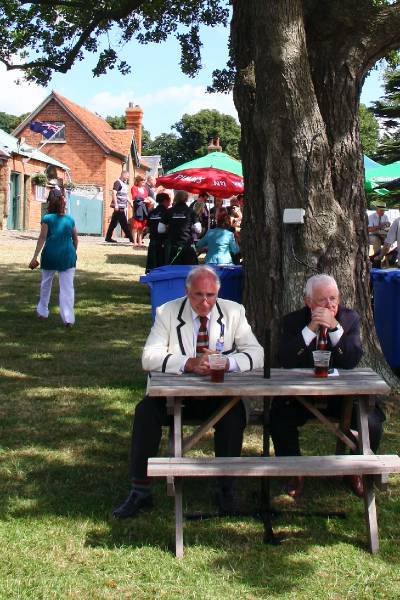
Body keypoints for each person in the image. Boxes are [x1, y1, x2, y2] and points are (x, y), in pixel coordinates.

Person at [113, 265, 264, 518]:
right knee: (145, 412)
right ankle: (140, 490)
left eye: (211, 296)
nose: (205, 302)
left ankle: (225, 488)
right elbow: (148, 357)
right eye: (198, 296)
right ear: (187, 292)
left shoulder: (234, 312)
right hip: (176, 397)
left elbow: (257, 353)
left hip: (218, 396)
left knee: (234, 414)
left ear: (218, 293)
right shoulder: (168, 312)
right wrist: (189, 363)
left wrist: (228, 363)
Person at [269, 273, 385, 498]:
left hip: (340, 396)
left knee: (371, 419)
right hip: (302, 394)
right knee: (278, 416)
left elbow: (351, 359)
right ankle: (294, 471)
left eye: (334, 298)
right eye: (323, 300)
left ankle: (356, 469)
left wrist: (334, 328)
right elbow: (286, 359)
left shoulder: (350, 319)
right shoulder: (292, 321)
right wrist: (311, 328)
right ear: (308, 302)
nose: (330, 305)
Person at [29, 188, 78, 327]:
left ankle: (42, 311)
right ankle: (68, 318)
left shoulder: (47, 218)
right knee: (67, 288)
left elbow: (42, 237)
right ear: (63, 204)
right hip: (67, 255)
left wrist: (35, 256)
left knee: (46, 284)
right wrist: (74, 252)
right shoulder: (70, 220)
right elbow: (75, 239)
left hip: (50, 254)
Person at [160, 190, 201, 265]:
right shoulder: (191, 212)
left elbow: (160, 229)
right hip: (187, 244)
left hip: (172, 245)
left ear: (176, 198)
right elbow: (198, 229)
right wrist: (191, 228)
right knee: (188, 268)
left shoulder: (169, 211)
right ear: (186, 199)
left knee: (173, 268)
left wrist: (170, 228)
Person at [105, 170, 134, 244]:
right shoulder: (117, 182)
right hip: (119, 207)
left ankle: (108, 237)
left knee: (113, 223)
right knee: (124, 223)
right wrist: (116, 204)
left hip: (122, 206)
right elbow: (114, 193)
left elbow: (125, 195)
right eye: (127, 176)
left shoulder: (124, 184)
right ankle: (131, 239)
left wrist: (130, 202)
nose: (127, 178)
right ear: (123, 175)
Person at [145, 192, 172, 272]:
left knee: (152, 262)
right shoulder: (167, 212)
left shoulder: (152, 212)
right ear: (165, 201)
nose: (169, 202)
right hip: (163, 241)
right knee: (162, 262)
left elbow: (147, 228)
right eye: (169, 200)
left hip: (153, 240)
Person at [131, 174, 149, 246]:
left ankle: (140, 242)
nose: (144, 182)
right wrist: (144, 199)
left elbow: (146, 197)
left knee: (141, 227)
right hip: (138, 208)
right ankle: (135, 242)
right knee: (135, 226)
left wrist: (147, 200)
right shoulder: (134, 188)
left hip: (144, 208)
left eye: (144, 181)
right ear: (138, 181)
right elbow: (135, 197)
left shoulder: (144, 189)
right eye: (142, 181)